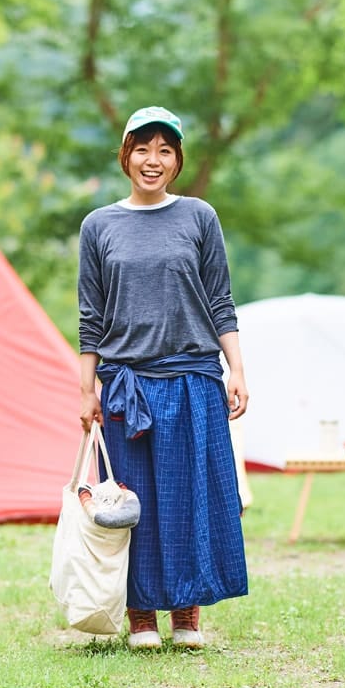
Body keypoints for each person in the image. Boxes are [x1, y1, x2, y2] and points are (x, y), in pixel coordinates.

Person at [77, 106, 250, 650]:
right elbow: (90, 317)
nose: (153, 160)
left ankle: (187, 614)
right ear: (125, 156)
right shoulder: (99, 225)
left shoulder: (199, 217)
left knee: (188, 497)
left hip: (192, 378)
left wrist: (237, 369)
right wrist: (86, 389)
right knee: (134, 504)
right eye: (143, 149)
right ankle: (141, 618)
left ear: (177, 161)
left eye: (165, 150)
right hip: (126, 385)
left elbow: (220, 300)